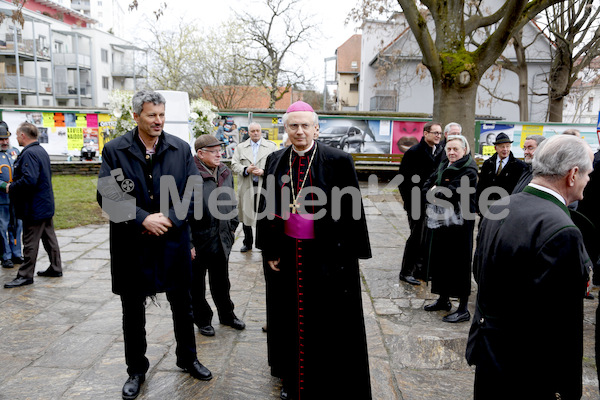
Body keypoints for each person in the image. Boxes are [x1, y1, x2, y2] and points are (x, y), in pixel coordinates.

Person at [97, 90, 212, 400]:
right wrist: (142, 219)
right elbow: (108, 195)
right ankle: (136, 369)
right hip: (131, 245)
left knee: (182, 304)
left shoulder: (180, 148)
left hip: (172, 243)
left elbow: (194, 192)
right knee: (132, 311)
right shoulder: (115, 150)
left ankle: (188, 358)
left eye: (162, 115)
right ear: (136, 116)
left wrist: (171, 219)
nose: (158, 121)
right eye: (152, 115)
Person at [256, 101, 372, 400]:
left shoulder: (339, 160)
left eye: (305, 125)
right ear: (286, 129)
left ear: (316, 128)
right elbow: (267, 207)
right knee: (286, 317)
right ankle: (289, 375)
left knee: (325, 318)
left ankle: (327, 375)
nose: (299, 131)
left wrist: (349, 254)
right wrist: (269, 250)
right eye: (293, 125)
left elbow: (353, 210)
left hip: (327, 254)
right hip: (287, 252)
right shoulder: (275, 160)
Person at [466, 134, 593, 399]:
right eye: (587, 174)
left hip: (489, 353)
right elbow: (563, 322)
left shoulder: (499, 205)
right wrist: (567, 387)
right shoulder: (563, 229)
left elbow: (480, 272)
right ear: (572, 174)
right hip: (528, 371)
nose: (588, 180)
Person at [190, 134, 245, 337]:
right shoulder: (189, 174)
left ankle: (227, 315)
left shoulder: (225, 171)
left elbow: (230, 200)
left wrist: (232, 227)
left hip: (221, 237)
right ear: (201, 153)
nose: (219, 154)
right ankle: (203, 319)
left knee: (222, 280)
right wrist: (188, 242)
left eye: (220, 150)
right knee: (196, 284)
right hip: (198, 238)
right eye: (214, 151)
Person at [422, 135, 478, 323]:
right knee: (441, 260)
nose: (452, 153)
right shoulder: (444, 163)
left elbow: (451, 193)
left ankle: (463, 309)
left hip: (460, 223)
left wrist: (437, 189)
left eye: (456, 149)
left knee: (460, 263)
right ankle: (443, 299)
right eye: (449, 149)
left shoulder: (469, 169)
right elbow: (426, 186)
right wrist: (436, 189)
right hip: (441, 220)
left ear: (464, 150)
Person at [3, 122, 62, 288]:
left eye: (16, 135)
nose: (15, 138)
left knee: (30, 242)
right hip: (45, 204)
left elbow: (30, 180)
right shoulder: (40, 150)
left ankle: (25, 275)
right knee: (49, 238)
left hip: (34, 207)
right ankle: (56, 267)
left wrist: (11, 187)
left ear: (23, 135)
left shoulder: (29, 154)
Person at [397, 121, 443, 285]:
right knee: (416, 237)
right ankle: (406, 272)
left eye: (440, 133)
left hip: (433, 202)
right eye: (435, 133)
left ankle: (422, 270)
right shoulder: (414, 152)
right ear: (425, 133)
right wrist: (410, 203)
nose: (438, 136)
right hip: (416, 203)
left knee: (429, 238)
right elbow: (402, 180)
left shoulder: (440, 151)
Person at [231, 122, 277, 253]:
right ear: (248, 133)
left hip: (264, 185)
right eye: (253, 131)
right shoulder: (241, 147)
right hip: (247, 185)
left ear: (261, 131)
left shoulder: (271, 146)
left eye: (257, 130)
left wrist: (264, 171)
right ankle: (248, 242)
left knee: (264, 216)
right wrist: (246, 169)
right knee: (247, 215)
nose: (255, 133)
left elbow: (276, 164)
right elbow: (234, 165)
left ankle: (263, 243)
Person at [476, 132, 527, 213]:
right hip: (487, 207)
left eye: (507, 146)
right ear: (495, 148)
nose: (505, 149)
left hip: (507, 208)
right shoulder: (488, 163)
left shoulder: (519, 166)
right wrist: (478, 206)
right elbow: (481, 186)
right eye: (502, 146)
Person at [0, 121, 23, 269]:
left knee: (17, 226)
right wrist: (3, 186)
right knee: (2, 228)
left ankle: (16, 253)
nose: (4, 142)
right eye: (1, 139)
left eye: (6, 139)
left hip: (16, 197)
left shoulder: (15, 152)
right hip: (1, 199)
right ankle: (5, 255)